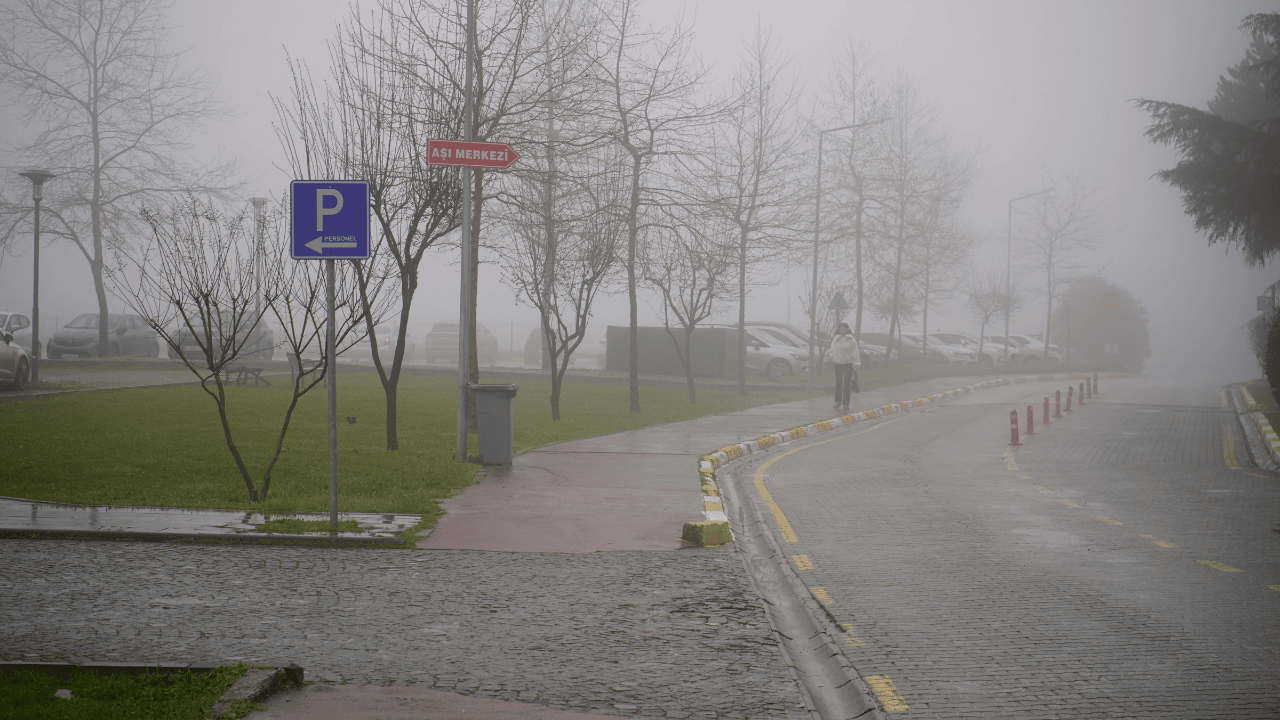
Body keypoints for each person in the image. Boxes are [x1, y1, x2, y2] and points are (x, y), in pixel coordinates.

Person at [829, 322, 860, 412]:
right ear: (838, 330)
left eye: (844, 330)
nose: (842, 331)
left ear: (847, 330)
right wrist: (833, 357)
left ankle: (846, 403)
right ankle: (837, 401)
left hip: (848, 364)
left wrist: (856, 364)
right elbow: (832, 350)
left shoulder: (851, 340)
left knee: (847, 383)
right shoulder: (835, 339)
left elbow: (855, 352)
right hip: (838, 364)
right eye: (840, 329)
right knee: (838, 383)